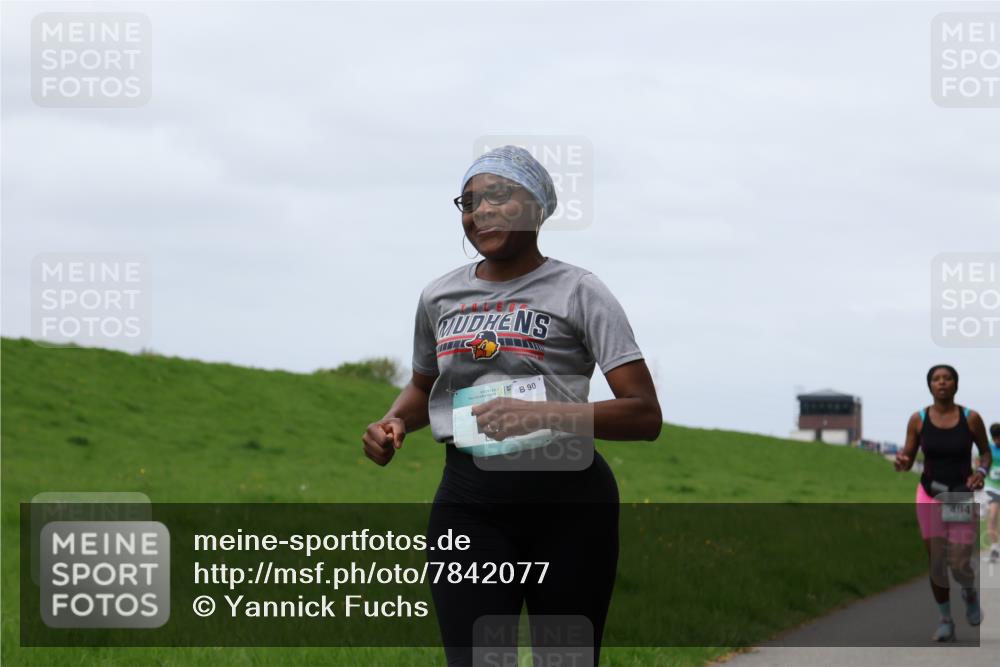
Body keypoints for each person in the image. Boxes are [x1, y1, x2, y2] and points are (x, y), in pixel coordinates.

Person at [361, 145, 661, 666]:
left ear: (537, 207)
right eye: (471, 201)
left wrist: (545, 414)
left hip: (570, 509)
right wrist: (392, 423)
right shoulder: (439, 297)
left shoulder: (579, 291)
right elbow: (421, 387)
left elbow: (643, 414)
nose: (483, 212)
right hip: (469, 506)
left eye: (501, 196)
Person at [894, 364, 992, 642]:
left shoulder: (971, 418)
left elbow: (985, 452)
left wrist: (981, 472)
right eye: (936, 379)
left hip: (959, 493)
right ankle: (946, 619)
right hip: (929, 494)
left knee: (960, 562)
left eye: (947, 378)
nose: (942, 383)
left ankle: (969, 594)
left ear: (956, 384)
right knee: (937, 561)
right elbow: (908, 457)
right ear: (929, 386)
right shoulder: (918, 419)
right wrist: (902, 462)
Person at [981, 422, 1000, 563]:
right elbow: (981, 464)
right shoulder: (988, 448)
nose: (997, 441)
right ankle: (994, 549)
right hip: (991, 487)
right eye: (995, 439)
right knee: (992, 516)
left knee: (992, 516)